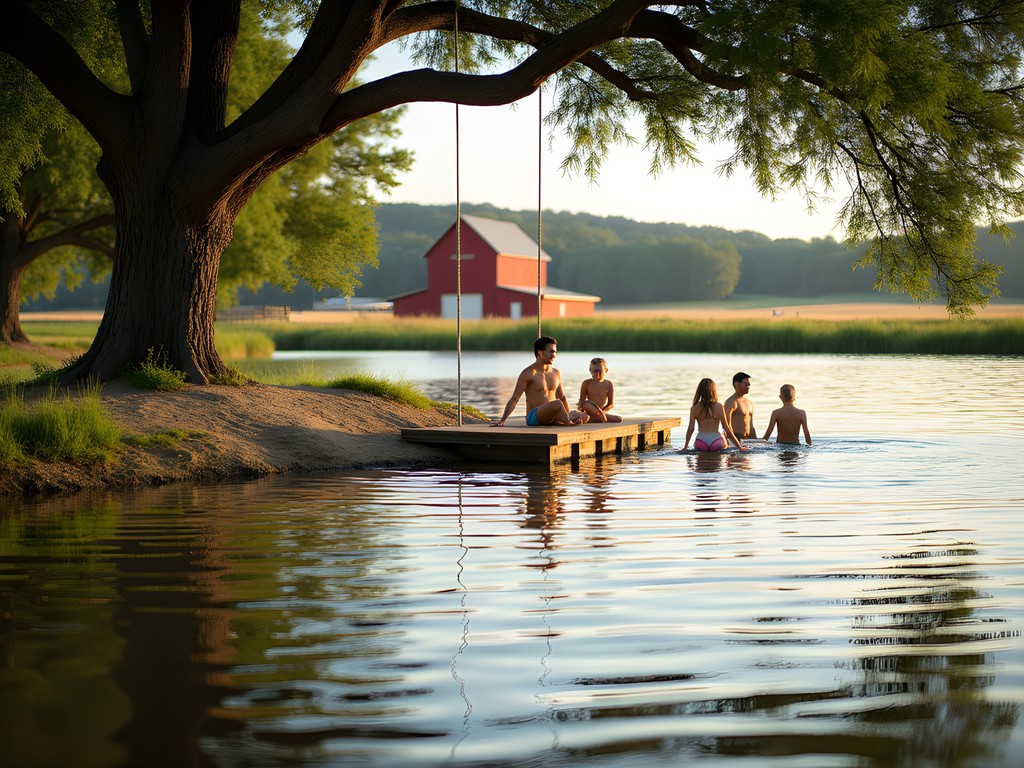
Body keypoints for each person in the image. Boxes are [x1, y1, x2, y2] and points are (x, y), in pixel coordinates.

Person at [492, 336, 588, 427]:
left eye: (555, 352)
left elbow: (562, 397)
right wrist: (502, 420)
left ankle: (568, 420)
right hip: (534, 417)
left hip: (551, 415)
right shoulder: (529, 373)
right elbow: (515, 399)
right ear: (540, 352)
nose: (554, 355)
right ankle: (568, 423)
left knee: (583, 416)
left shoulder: (556, 373)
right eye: (551, 351)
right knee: (557, 403)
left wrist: (568, 414)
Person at [683, 378, 747, 451]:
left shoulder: (694, 408)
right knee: (724, 448)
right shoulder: (719, 406)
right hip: (716, 441)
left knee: (700, 461)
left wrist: (685, 447)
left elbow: (691, 429)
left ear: (699, 391)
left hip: (701, 441)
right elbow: (726, 429)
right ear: (713, 391)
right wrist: (740, 447)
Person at [578, 357, 623, 423]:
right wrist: (581, 412)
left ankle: (597, 418)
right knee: (586, 404)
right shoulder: (586, 383)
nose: (597, 374)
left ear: (606, 370)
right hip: (589, 411)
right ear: (590, 370)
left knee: (618, 419)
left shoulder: (609, 384)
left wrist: (603, 412)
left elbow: (611, 404)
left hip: (601, 412)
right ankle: (593, 418)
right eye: (594, 371)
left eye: (600, 372)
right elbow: (582, 402)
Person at [723, 371, 757, 439]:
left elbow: (751, 426)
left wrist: (756, 442)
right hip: (736, 440)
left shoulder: (749, 403)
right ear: (737, 384)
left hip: (748, 441)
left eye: (749, 384)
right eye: (746, 384)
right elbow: (727, 426)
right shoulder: (730, 402)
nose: (749, 385)